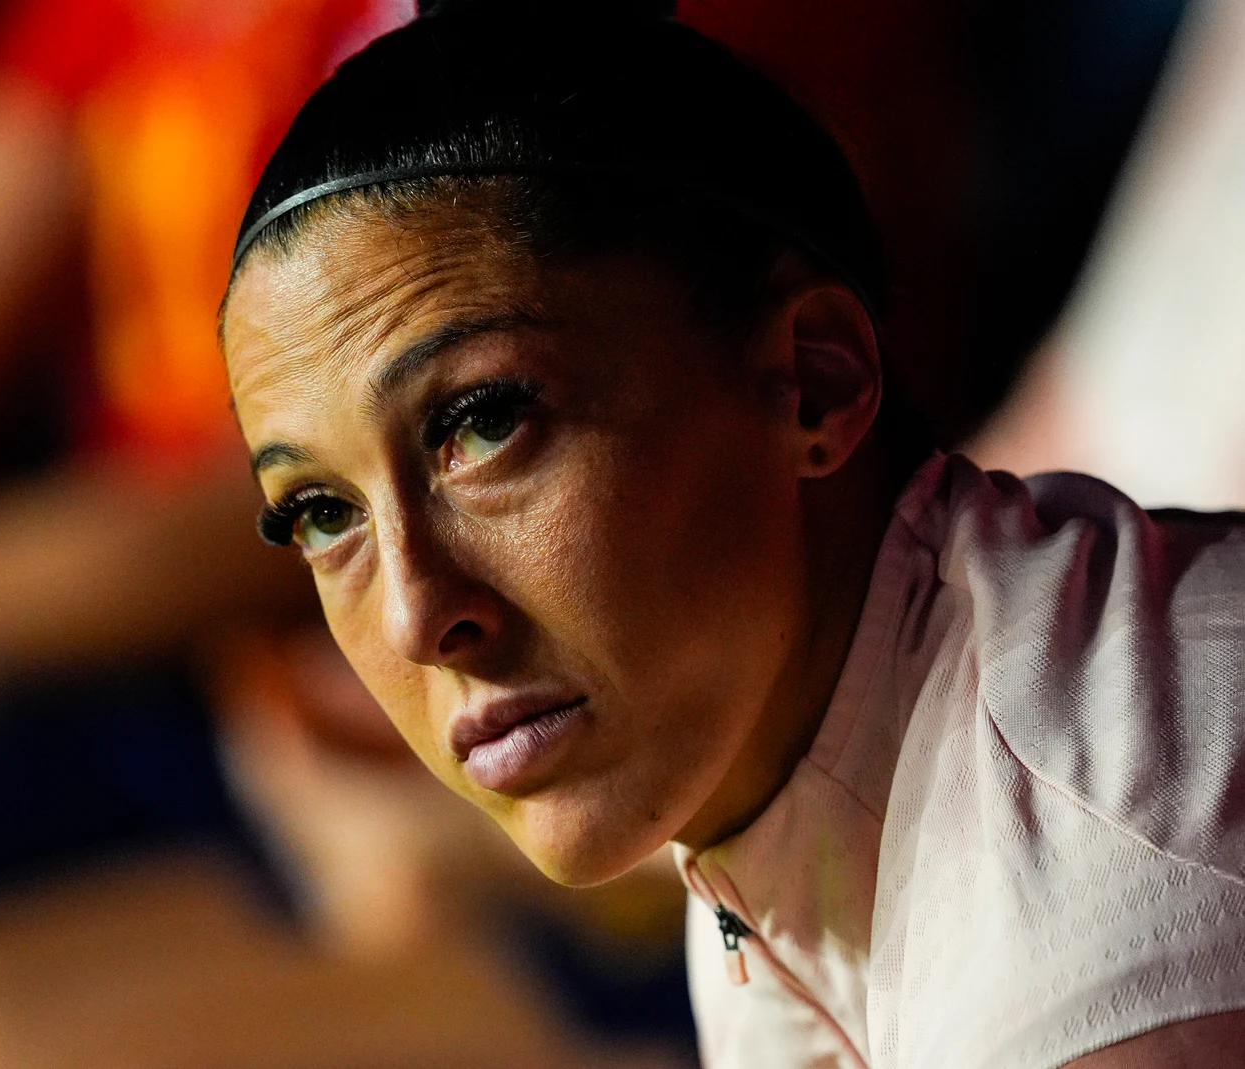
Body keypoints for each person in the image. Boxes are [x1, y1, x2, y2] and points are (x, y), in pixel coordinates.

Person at [219, 2, 1245, 1067]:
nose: (414, 615)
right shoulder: (787, 771)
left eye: (483, 423)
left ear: (812, 382)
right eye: (321, 512)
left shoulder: (1086, 955)